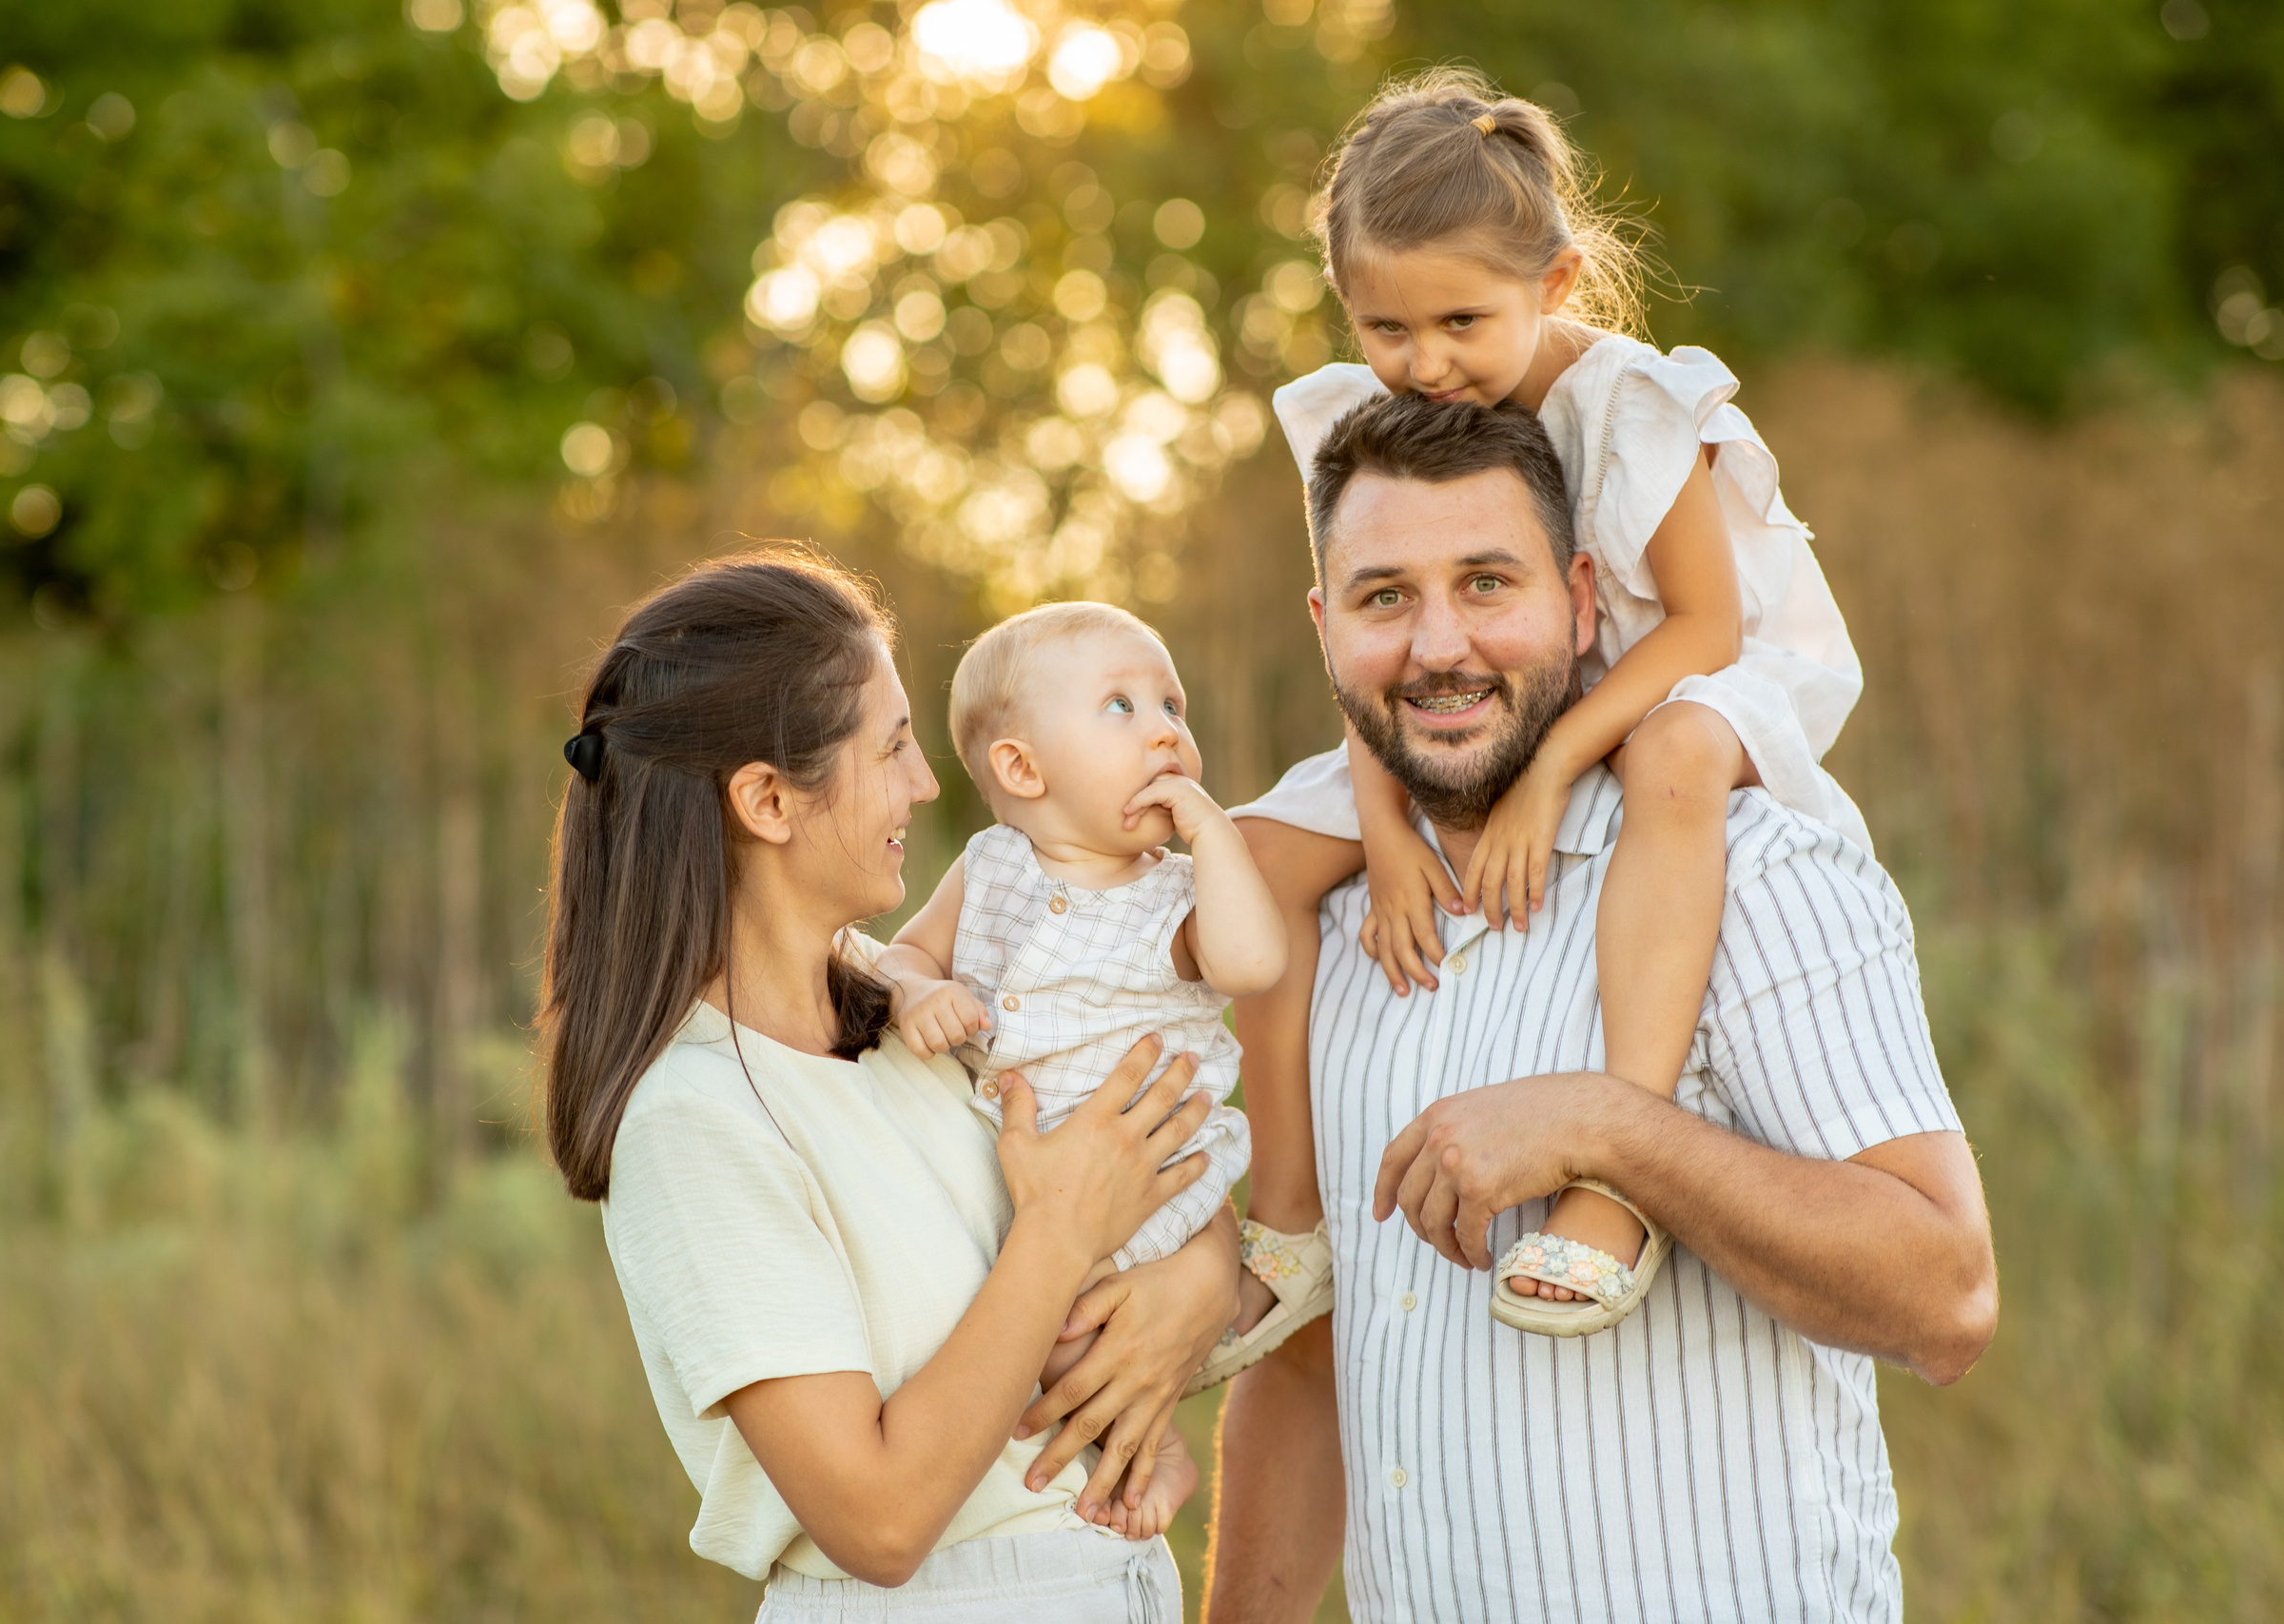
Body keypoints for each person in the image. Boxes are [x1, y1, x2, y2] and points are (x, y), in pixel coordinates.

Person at [1204, 393, 1997, 1622]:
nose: (1437, 646)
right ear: (1325, 627)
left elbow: (1947, 1297)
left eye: (1486, 583)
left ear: (1581, 602)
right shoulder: (1312, 927)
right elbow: (1316, 1361)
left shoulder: (1755, 871)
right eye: (1383, 597)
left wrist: (1611, 1127)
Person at [1225, 68, 1870, 1347]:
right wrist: (1389, 822)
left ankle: (1617, 1167)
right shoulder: (1372, 421)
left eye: (1463, 320)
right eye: (1385, 329)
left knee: (1676, 753)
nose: (1426, 364)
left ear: (1558, 284)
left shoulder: (1633, 404)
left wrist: (1550, 767)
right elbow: (1360, 652)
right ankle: (1293, 1225)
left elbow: (1703, 623)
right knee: (1251, 863)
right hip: (1488, 691)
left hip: (1667, 674)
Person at [539, 549, 1240, 1619]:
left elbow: (1150, 1171)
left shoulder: (917, 1007)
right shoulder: (694, 1120)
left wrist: (1192, 1288)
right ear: (769, 799)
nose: (925, 782)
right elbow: (875, 1522)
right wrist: (1057, 1235)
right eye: (896, 747)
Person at [876, 602, 1307, 1539]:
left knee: (1093, 1327)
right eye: (1120, 706)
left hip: (1152, 1183)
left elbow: (1249, 964)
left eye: (1173, 706)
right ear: (1022, 769)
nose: (1164, 729)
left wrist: (1213, 835)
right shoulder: (988, 866)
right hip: (1027, 1172)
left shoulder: (1177, 894)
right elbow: (904, 955)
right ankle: (1149, 1444)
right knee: (1043, 1320)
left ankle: (1154, 1443)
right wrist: (916, 995)